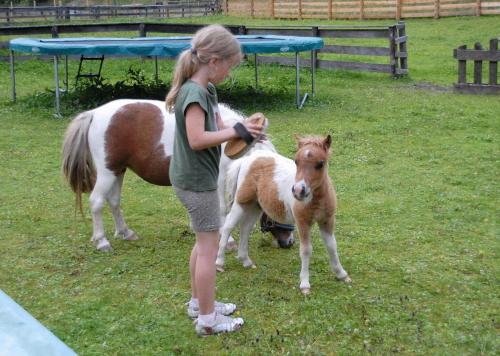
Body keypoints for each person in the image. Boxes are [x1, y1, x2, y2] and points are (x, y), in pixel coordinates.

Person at [166, 24, 263, 336]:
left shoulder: (207, 89)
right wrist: (237, 132)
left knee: (202, 243)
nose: (229, 73)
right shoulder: (193, 93)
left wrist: (242, 127)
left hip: (197, 178)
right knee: (209, 250)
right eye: (230, 67)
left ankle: (199, 302)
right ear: (215, 61)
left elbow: (220, 128)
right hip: (196, 183)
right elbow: (197, 139)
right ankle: (207, 321)